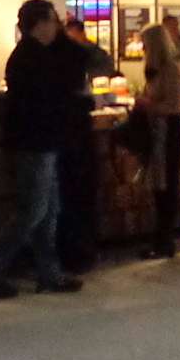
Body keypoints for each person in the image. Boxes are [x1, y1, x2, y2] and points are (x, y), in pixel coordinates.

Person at [0, 0, 82, 298]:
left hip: (38, 141)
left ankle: (49, 273)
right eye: (53, 21)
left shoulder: (28, 55)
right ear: (40, 24)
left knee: (47, 211)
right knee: (33, 211)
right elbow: (48, 97)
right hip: (36, 142)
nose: (57, 27)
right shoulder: (32, 58)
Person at [56, 15, 113, 274]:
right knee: (79, 199)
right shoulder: (78, 62)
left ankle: (70, 254)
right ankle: (80, 253)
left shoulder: (58, 60)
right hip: (77, 145)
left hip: (65, 146)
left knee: (66, 201)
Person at [139, 19, 180, 258]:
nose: (142, 48)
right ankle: (161, 238)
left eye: (145, 44)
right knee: (159, 184)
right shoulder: (154, 69)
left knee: (166, 183)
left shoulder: (169, 69)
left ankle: (164, 239)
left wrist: (147, 105)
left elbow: (173, 105)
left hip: (168, 129)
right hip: (159, 128)